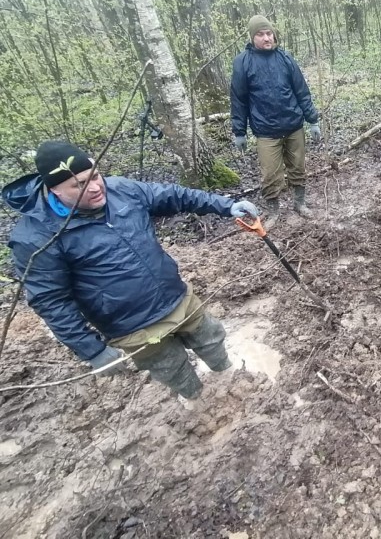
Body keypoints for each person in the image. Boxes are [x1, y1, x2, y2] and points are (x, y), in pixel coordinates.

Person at [2, 141, 259, 401]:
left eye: (95, 176)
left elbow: (175, 195)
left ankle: (229, 375)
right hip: (130, 325)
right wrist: (92, 350)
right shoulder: (36, 237)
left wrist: (224, 206)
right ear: (54, 189)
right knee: (173, 369)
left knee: (211, 338)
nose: (94, 188)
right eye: (79, 184)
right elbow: (50, 300)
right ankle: (198, 402)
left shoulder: (120, 189)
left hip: (176, 297)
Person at [230, 15, 321, 230]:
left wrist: (313, 120)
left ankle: (300, 203)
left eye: (269, 33)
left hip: (293, 125)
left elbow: (302, 91)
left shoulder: (285, 58)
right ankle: (273, 211)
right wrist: (239, 131)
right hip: (266, 130)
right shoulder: (242, 62)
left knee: (298, 168)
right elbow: (238, 99)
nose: (266, 38)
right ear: (253, 37)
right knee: (270, 174)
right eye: (260, 34)